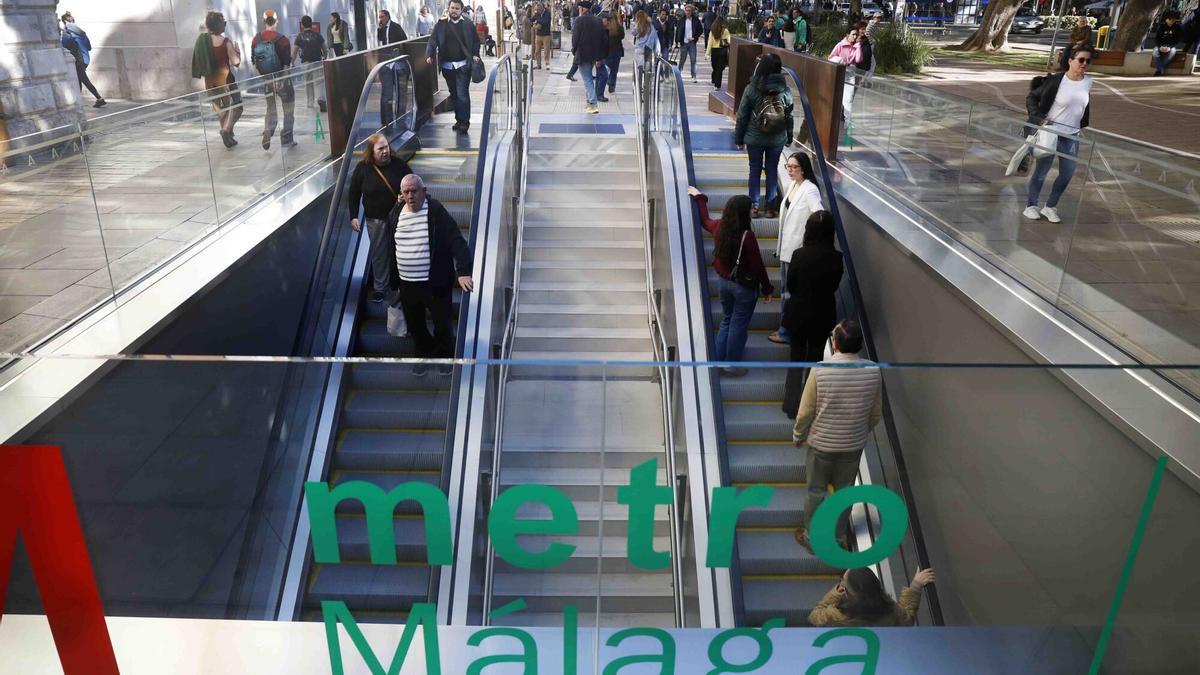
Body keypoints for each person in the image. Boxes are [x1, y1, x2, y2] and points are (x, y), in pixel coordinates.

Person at [791, 318, 878, 550]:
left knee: (816, 492)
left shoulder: (821, 370)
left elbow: (806, 411)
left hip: (821, 445)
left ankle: (811, 538)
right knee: (844, 495)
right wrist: (857, 432)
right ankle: (838, 539)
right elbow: (875, 413)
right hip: (852, 446)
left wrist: (798, 435)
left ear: (836, 343)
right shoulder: (873, 371)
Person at [387, 174, 475, 375]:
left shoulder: (435, 212)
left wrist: (462, 272)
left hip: (434, 282)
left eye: (414, 191)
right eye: (406, 192)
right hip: (407, 284)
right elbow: (390, 244)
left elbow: (456, 240)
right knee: (415, 325)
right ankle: (424, 355)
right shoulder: (396, 212)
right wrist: (393, 277)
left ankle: (445, 358)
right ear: (401, 194)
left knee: (442, 323)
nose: (410, 196)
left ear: (424, 192)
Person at [689, 188, 775, 377]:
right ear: (745, 214)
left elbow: (704, 220)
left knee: (727, 320)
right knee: (738, 324)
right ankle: (731, 365)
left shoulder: (718, 226)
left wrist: (699, 198)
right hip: (743, 287)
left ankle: (717, 363)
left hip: (723, 281)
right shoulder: (747, 236)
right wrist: (767, 288)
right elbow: (758, 265)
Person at [781, 211, 844, 416]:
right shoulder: (836, 258)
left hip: (798, 313)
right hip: (822, 314)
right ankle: (808, 407)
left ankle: (790, 404)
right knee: (815, 362)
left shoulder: (799, 254)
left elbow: (791, 284)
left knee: (796, 359)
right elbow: (834, 286)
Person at [1024, 46, 1092, 225]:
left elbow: (1081, 107)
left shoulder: (1088, 82)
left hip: (1072, 135)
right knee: (1041, 172)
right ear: (1070, 61)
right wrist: (1038, 117)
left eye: (1087, 61)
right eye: (1081, 60)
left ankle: (1050, 207)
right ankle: (1031, 206)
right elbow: (1031, 97)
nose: (1084, 64)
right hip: (1050, 133)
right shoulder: (1056, 81)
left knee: (1067, 173)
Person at [348, 134, 414, 304]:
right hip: (375, 220)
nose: (385, 151)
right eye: (380, 149)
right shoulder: (363, 168)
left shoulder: (398, 165)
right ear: (372, 152)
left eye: (386, 147)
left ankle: (402, 284)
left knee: (401, 251)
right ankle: (380, 288)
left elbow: (413, 185)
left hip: (399, 218)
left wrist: (403, 197)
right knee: (379, 253)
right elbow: (354, 192)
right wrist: (353, 216)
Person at [769, 153, 824, 345]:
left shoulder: (810, 190)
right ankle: (786, 329)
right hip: (786, 250)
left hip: (798, 253)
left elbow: (819, 216)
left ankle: (786, 331)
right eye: (788, 167)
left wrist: (808, 245)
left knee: (790, 293)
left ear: (804, 168)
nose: (790, 170)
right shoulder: (793, 185)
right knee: (786, 291)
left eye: (794, 167)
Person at [734, 53, 794, 217]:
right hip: (777, 138)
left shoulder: (752, 88)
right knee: (772, 170)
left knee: (754, 170)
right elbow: (789, 116)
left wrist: (738, 139)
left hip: (755, 137)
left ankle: (753, 206)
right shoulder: (785, 90)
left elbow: (742, 115)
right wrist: (789, 137)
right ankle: (770, 208)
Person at [809, 568, 936, 627]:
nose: (842, 582)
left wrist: (835, 593)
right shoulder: (888, 609)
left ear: (847, 593)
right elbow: (907, 620)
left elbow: (814, 616)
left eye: (843, 582)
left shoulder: (837, 615)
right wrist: (915, 586)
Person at [426, 0, 482, 133]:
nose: (454, 11)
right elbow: (432, 40)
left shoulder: (468, 24)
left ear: (461, 10)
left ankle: (464, 122)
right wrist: (429, 54)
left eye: (457, 8)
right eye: (452, 8)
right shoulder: (441, 24)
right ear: (449, 8)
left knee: (462, 94)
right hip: (447, 66)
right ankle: (459, 120)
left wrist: (475, 54)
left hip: (463, 65)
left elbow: (475, 41)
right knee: (454, 94)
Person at [192, 11, 242, 149]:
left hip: (210, 81)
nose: (225, 24)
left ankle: (228, 138)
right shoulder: (225, 42)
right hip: (226, 80)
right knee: (237, 106)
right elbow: (236, 62)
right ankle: (226, 131)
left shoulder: (202, 41)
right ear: (218, 25)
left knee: (221, 110)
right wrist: (238, 52)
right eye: (224, 22)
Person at [252, 10, 295, 151]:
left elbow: (255, 64)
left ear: (263, 21)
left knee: (271, 109)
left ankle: (268, 131)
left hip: (267, 80)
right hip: (283, 81)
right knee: (288, 109)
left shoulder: (256, 39)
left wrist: (266, 80)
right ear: (276, 21)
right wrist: (281, 80)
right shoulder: (283, 39)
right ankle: (287, 139)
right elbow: (286, 64)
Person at [60, 13, 105, 108]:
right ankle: (84, 100)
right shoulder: (82, 32)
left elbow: (64, 45)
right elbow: (89, 47)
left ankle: (98, 98)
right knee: (79, 79)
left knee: (83, 79)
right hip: (85, 59)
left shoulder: (67, 31)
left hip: (76, 59)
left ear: (65, 21)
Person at [572, 1, 608, 113]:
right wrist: (600, 56)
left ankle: (593, 103)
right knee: (588, 78)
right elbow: (604, 39)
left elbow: (575, 38)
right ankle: (589, 102)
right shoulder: (598, 20)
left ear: (582, 9)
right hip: (594, 55)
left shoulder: (579, 20)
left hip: (583, 54)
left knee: (587, 80)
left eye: (579, 8)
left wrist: (574, 50)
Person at [378, 10, 410, 130]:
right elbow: (380, 42)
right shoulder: (381, 28)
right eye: (379, 17)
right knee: (387, 94)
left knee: (401, 94)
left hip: (398, 64)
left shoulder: (396, 27)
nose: (380, 19)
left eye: (381, 17)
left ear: (387, 16)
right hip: (387, 65)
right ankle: (387, 121)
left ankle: (401, 119)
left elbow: (404, 42)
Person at [293, 15, 328, 110]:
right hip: (317, 62)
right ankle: (321, 100)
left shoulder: (300, 36)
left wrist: (292, 63)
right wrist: (325, 57)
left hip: (305, 63)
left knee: (308, 83)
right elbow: (325, 48)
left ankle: (310, 103)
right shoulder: (317, 35)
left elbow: (295, 51)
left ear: (302, 25)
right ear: (311, 24)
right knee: (320, 82)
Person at [598, 11, 625, 95]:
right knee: (615, 69)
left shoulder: (606, 27)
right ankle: (612, 86)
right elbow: (622, 36)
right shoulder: (619, 27)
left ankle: (608, 80)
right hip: (617, 51)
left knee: (607, 67)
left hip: (608, 50)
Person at [675, 3, 704, 82]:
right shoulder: (681, 20)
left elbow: (700, 30)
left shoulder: (695, 20)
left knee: (693, 60)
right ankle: (679, 74)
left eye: (689, 11)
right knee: (682, 59)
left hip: (692, 43)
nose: (687, 12)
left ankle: (693, 76)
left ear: (692, 12)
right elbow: (677, 31)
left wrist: (694, 37)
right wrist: (676, 42)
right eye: (686, 10)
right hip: (683, 43)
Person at [706, 15, 731, 89]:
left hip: (714, 51)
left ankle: (717, 84)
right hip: (722, 51)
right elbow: (729, 40)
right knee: (719, 69)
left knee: (716, 67)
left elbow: (709, 43)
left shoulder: (712, 31)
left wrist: (707, 53)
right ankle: (716, 83)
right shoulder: (725, 31)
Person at [534, 3, 553, 69]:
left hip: (546, 35)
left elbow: (545, 22)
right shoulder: (537, 14)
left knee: (546, 50)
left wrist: (538, 21)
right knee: (537, 51)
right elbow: (532, 19)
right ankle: (538, 64)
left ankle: (547, 64)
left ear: (541, 8)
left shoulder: (547, 14)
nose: (537, 11)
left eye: (538, 9)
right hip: (538, 35)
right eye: (536, 9)